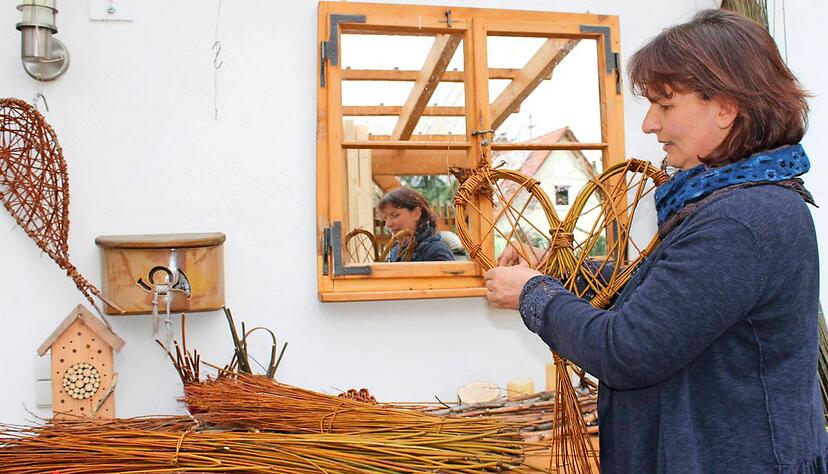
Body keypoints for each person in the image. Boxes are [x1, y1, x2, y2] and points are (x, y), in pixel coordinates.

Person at [484, 9, 825, 473]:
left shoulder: (741, 220)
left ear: (726, 108)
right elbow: (667, 299)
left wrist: (533, 294)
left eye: (665, 106)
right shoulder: (729, 202)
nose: (649, 124)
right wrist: (559, 270)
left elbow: (627, 350)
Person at [377, 187, 454, 262]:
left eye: (395, 215)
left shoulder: (436, 252)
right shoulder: (395, 251)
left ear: (416, 213)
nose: (388, 224)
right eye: (385, 218)